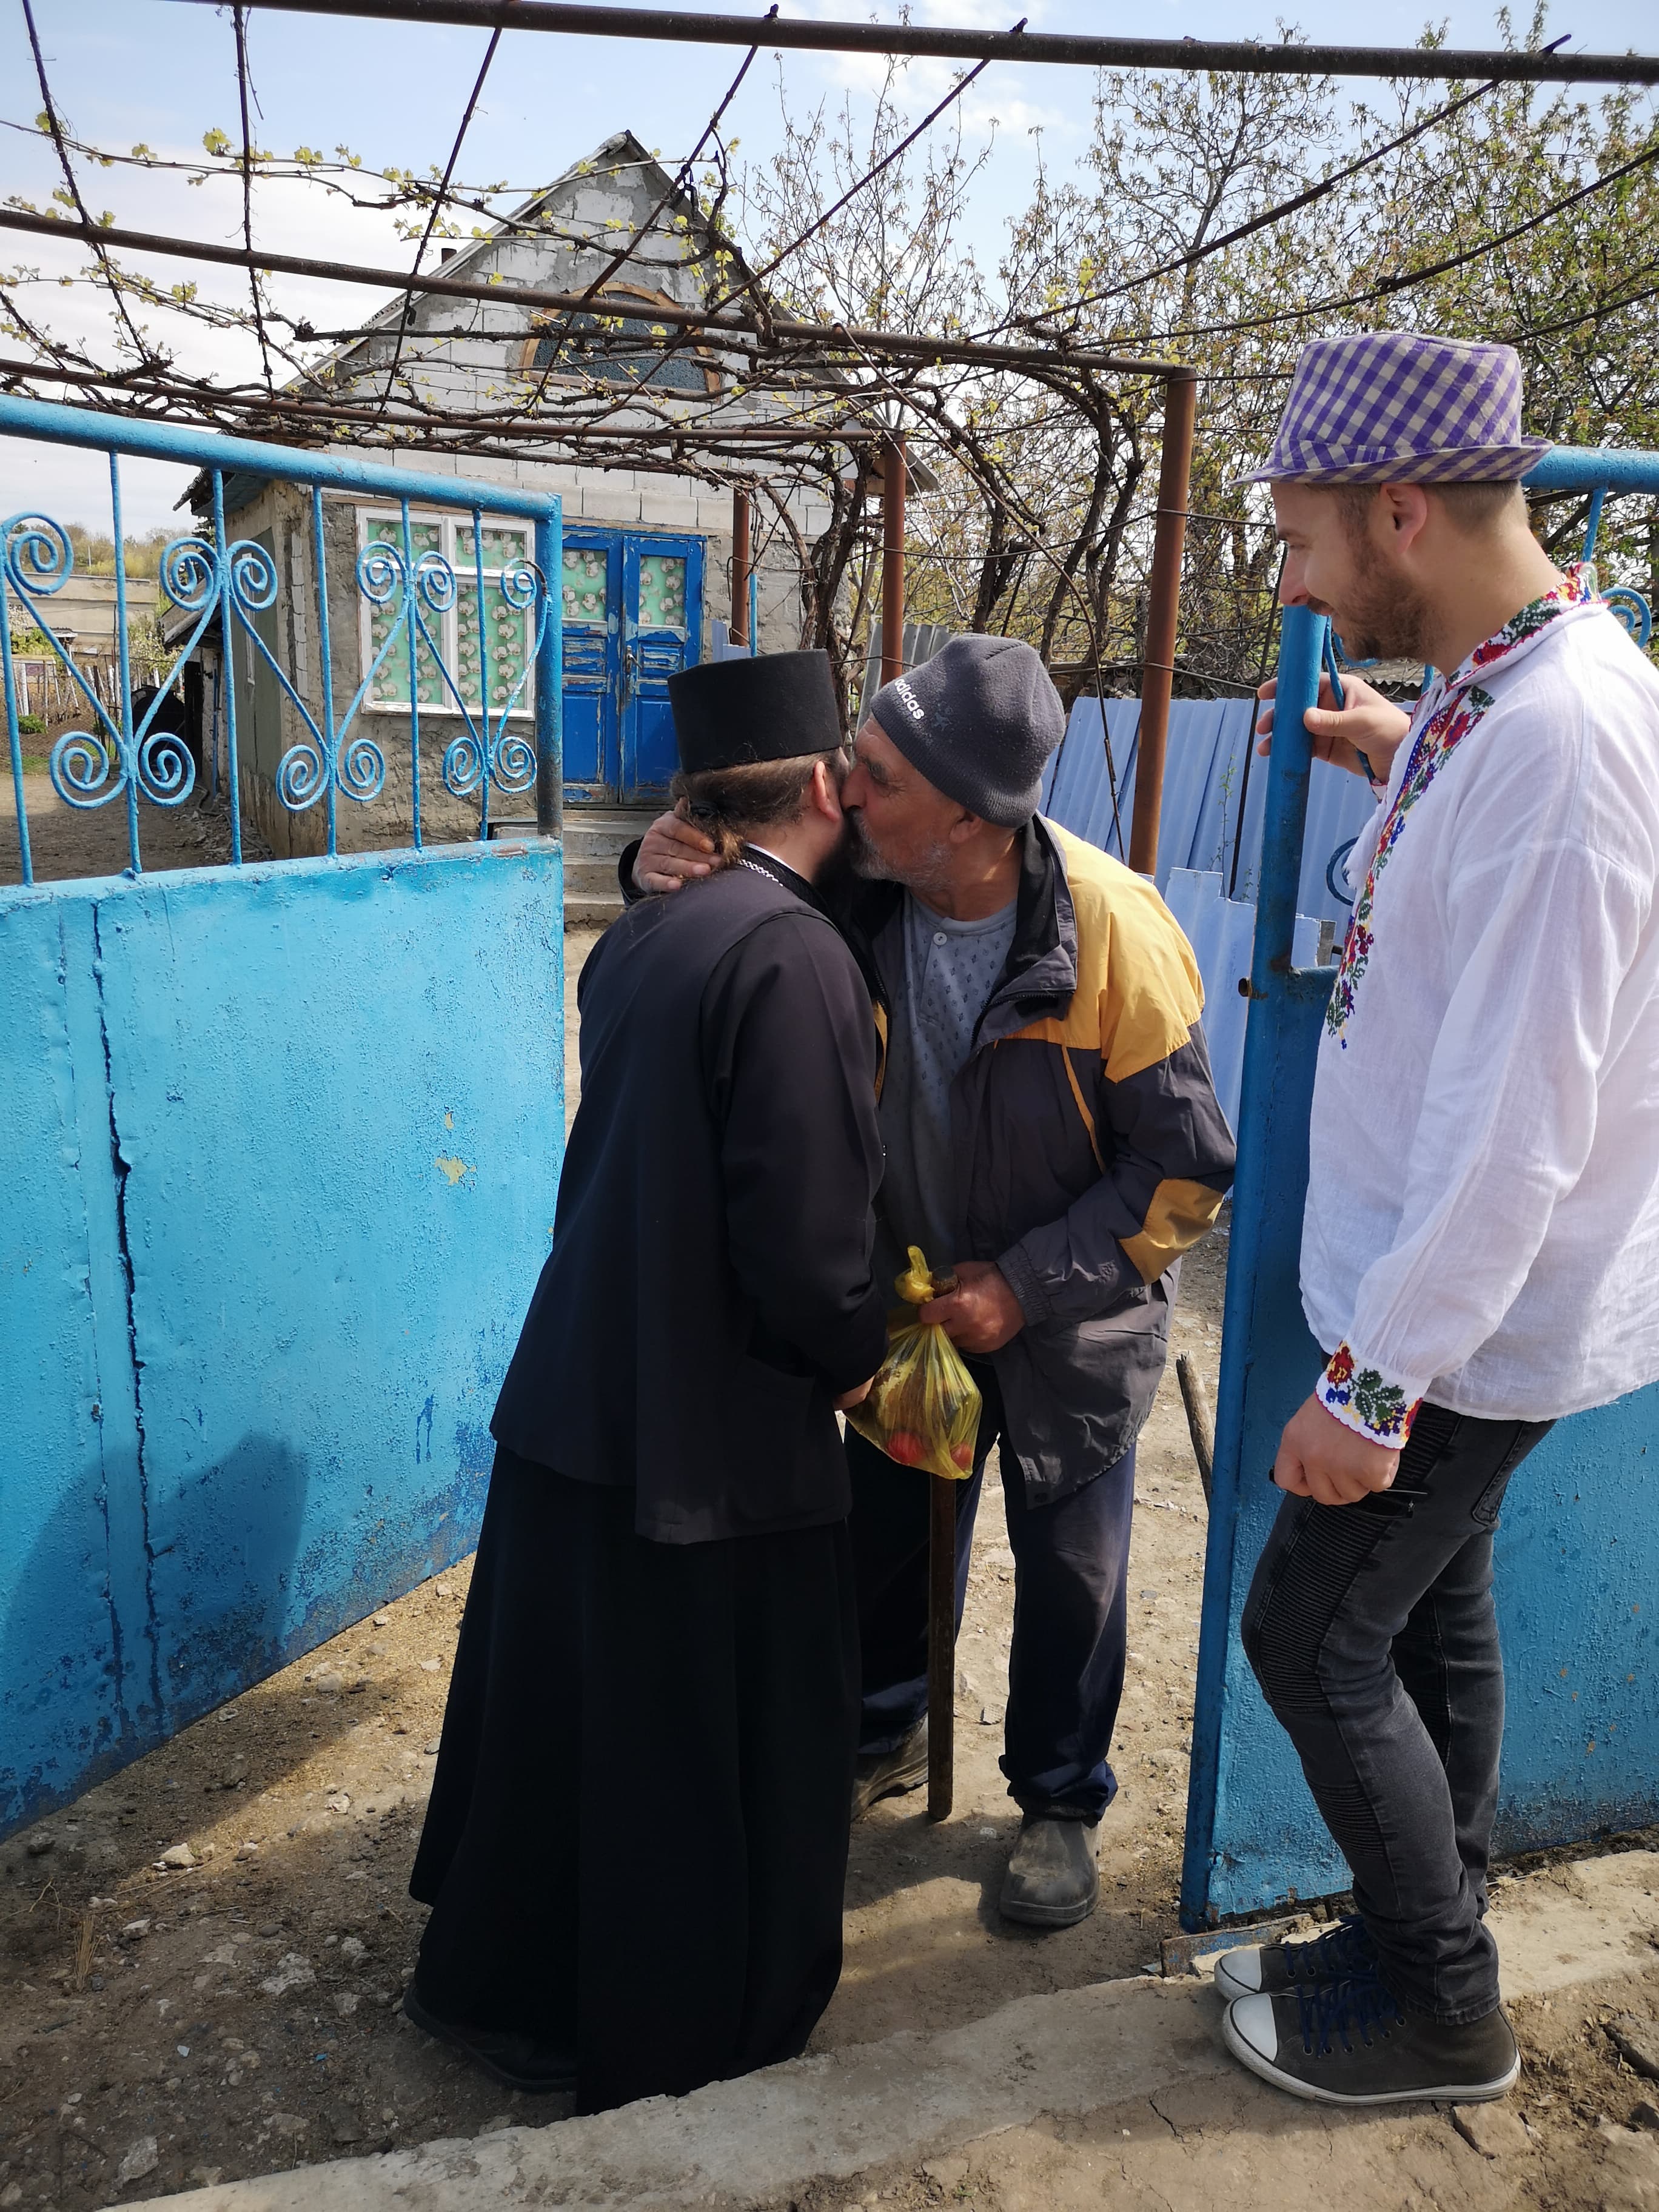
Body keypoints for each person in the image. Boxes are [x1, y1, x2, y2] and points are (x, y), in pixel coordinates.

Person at [1209, 332, 1659, 2106]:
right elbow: (1497, 857)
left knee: (1307, 1641)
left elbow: (1516, 1127)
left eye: (1303, 541)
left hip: (1462, 1318)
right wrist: (1400, 754)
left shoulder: (1562, 753)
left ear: (1401, 510)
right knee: (1427, 1624)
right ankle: (1424, 1936)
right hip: (1445, 1301)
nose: (1296, 585)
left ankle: (1444, 2011)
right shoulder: (1506, 691)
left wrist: (1373, 1384)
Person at [628, 634, 1236, 1928]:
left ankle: (1059, 1799)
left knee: (1072, 1576)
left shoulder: (1115, 932)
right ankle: (883, 1730)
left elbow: (1185, 1169)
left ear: (969, 815)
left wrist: (1025, 1284)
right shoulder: (862, 885)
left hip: (1070, 1329)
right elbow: (723, 883)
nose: (842, 790)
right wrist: (657, 860)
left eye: (879, 775)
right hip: (915, 1319)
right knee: (890, 1548)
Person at [405, 650, 888, 2114]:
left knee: (574, 1723)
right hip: (708, 1433)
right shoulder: (794, 957)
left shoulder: (646, 932)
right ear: (825, 788)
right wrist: (860, 1358)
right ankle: (677, 2023)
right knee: (683, 1749)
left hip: (582, 1386)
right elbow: (804, 1245)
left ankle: (508, 1986)